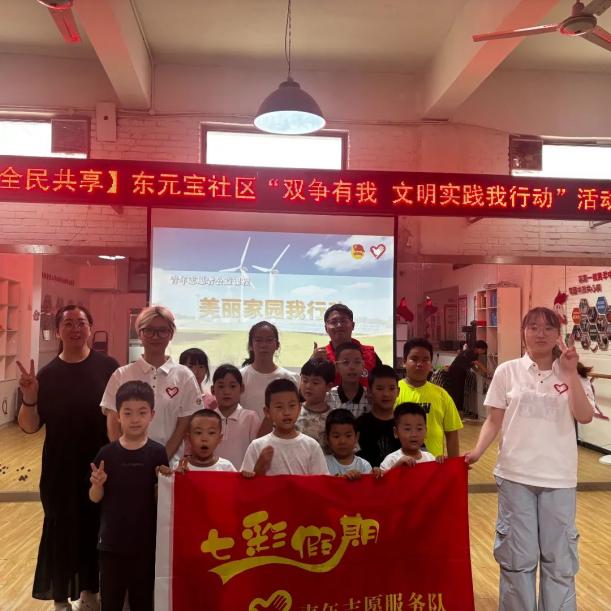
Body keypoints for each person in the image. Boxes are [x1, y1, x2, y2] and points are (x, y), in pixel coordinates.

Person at [465, 307, 594, 611]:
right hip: (515, 475)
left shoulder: (571, 372)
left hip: (559, 478)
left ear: (558, 335)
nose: (540, 334)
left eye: (548, 328)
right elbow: (494, 420)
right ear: (523, 333)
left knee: (559, 560)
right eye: (533, 327)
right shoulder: (507, 371)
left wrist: (570, 373)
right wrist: (477, 452)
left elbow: (584, 416)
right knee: (516, 559)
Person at [17, 304, 119, 611]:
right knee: (60, 531)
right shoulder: (47, 375)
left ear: (90, 327)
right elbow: (30, 427)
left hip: (98, 466)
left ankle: (90, 591)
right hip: (59, 469)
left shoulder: (109, 367)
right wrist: (30, 396)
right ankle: (60, 597)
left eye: (81, 323)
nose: (76, 329)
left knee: (94, 527)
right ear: (58, 331)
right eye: (68, 323)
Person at [89, 380, 168, 611]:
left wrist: (164, 485)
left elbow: (161, 500)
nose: (135, 419)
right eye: (128, 413)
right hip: (111, 544)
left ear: (152, 414)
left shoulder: (158, 452)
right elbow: (94, 498)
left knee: (142, 601)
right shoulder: (107, 453)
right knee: (111, 602)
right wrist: (97, 485)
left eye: (142, 412)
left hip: (146, 543)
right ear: (117, 416)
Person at [101, 306, 202, 464]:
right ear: (139, 334)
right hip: (127, 465)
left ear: (171, 334)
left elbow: (183, 426)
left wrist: (161, 460)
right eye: (149, 330)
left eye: (162, 331)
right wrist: (124, 458)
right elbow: (113, 422)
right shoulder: (121, 375)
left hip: (170, 466)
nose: (156, 336)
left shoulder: (184, 376)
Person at [241, 379, 329, 476]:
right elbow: (245, 482)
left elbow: (321, 482)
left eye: (292, 405)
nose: (286, 412)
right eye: (279, 407)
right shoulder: (257, 446)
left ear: (299, 408)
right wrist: (258, 469)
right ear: (267, 412)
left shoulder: (312, 446)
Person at [396, 338, 463, 457]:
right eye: (414, 359)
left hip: (433, 465)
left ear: (431, 363)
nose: (420, 364)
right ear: (404, 362)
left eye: (425, 360)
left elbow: (452, 433)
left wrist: (454, 464)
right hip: (399, 464)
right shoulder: (393, 392)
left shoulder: (442, 395)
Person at [240, 321, 299, 433]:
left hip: (281, 439)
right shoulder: (240, 377)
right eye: (258, 340)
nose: (264, 345)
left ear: (277, 345)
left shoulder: (290, 378)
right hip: (244, 438)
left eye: (269, 340)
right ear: (251, 345)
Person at [313, 304, 381, 387]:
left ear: (353, 325)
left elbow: (383, 384)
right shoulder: (320, 357)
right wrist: (312, 362)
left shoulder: (370, 354)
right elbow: (305, 389)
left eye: (343, 321)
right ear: (326, 328)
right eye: (333, 322)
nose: (339, 325)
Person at [209, 364, 260, 469]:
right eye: (221, 386)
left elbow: (257, 452)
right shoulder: (207, 419)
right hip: (212, 475)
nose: (226, 392)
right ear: (213, 390)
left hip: (243, 476)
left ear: (242, 388)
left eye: (232, 386)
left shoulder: (250, 417)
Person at [355, 365, 401, 467]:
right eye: (380, 389)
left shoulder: (405, 423)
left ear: (398, 392)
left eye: (391, 388)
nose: (386, 394)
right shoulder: (360, 424)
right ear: (369, 391)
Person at [380, 403, 440, 470]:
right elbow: (384, 476)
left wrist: (442, 464)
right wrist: (397, 467)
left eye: (419, 429)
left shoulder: (431, 459)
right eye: (407, 429)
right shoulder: (391, 460)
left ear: (426, 431)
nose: (414, 434)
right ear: (396, 432)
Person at [295, 358, 336, 449]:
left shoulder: (334, 417)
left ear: (329, 386)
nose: (308, 386)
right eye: (305, 380)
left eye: (315, 382)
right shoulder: (292, 411)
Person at [327, 342, 371, 418]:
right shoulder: (328, 397)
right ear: (337, 367)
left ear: (363, 365)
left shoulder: (370, 398)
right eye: (346, 362)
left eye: (357, 362)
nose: (352, 367)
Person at [325, 408, 373, 478]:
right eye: (336, 436)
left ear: (356, 437)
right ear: (327, 438)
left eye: (348, 436)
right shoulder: (324, 463)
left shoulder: (364, 465)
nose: (342, 441)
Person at [444, 340, 488, 413]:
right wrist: (487, 372)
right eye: (484, 350)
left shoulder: (474, 354)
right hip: (455, 372)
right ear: (478, 348)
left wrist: (480, 373)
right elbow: (477, 363)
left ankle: (459, 412)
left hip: (461, 372)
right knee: (456, 392)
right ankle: (453, 412)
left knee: (460, 392)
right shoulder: (470, 352)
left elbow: (473, 365)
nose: (484, 352)